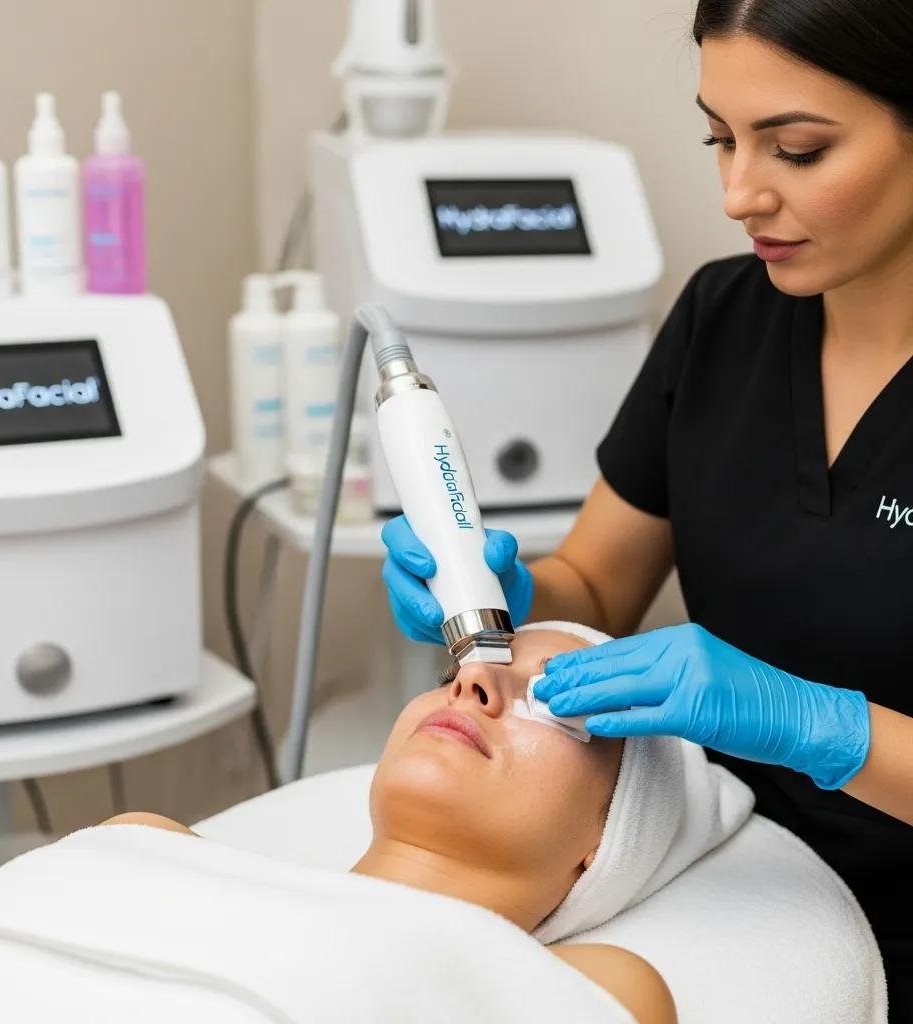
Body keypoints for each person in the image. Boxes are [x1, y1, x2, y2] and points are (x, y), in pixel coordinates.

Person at [380, 1, 913, 1015]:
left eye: (797, 150)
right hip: (708, 889)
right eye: (720, 139)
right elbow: (594, 587)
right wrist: (501, 589)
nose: (739, 194)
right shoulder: (724, 317)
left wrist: (823, 728)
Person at [107, 626, 676, 1024]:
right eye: (454, 671)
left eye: (552, 700)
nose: (470, 681)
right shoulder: (150, 848)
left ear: (608, 840)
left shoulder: (599, 986)